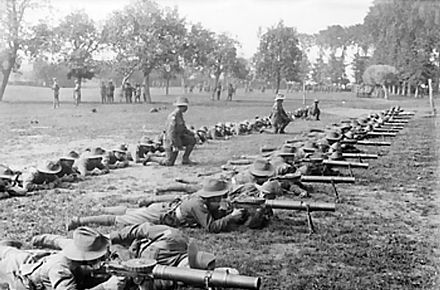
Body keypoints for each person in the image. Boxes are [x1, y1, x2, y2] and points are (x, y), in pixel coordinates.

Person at [66, 178, 245, 233]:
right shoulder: (198, 204)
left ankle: (102, 208)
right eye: (221, 196)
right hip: (161, 216)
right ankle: (79, 220)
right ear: (213, 196)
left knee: (132, 211)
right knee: (121, 220)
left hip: (166, 209)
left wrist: (222, 210)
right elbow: (211, 227)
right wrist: (231, 217)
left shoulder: (202, 199)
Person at [0, 227, 125, 290]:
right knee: (9, 261)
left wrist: (39, 239)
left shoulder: (76, 245)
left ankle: (4, 247)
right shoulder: (61, 270)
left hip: (34, 260)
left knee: (14, 253)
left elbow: (57, 240)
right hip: (19, 277)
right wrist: (106, 287)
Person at [143, 96, 197, 166]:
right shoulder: (173, 116)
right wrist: (174, 145)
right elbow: (170, 132)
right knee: (169, 162)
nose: (187, 108)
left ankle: (185, 159)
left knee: (192, 140)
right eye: (185, 106)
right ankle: (151, 158)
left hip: (179, 138)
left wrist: (192, 133)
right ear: (182, 107)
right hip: (170, 141)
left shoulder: (180, 115)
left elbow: (183, 129)